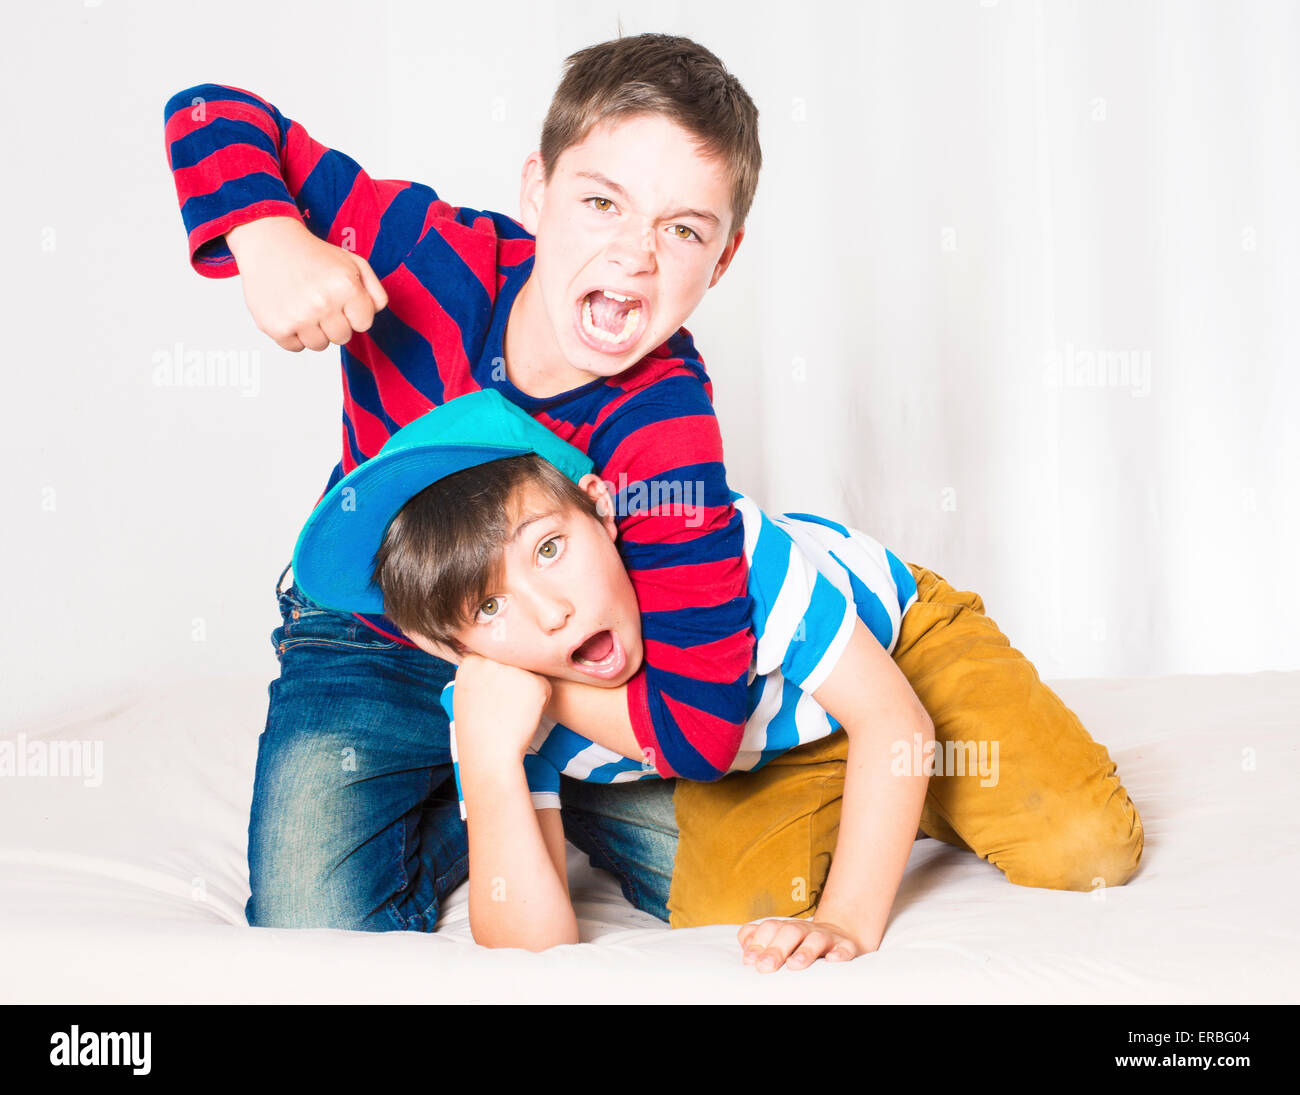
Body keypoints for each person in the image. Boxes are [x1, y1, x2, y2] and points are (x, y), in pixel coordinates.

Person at [162, 34, 768, 931]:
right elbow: (208, 111)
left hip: (563, 654)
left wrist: (526, 692)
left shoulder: (668, 428)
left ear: (720, 260)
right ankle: (462, 796)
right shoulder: (426, 256)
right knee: (310, 916)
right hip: (375, 631)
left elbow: (701, 724)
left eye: (682, 229)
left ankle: (523, 774)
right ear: (538, 191)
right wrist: (270, 236)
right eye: (602, 202)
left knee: (740, 887)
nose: (635, 253)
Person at [293, 388, 1146, 972]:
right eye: (488, 607)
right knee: (722, 918)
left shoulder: (719, 557)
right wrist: (486, 763)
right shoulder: (498, 701)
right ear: (453, 646)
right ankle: (880, 797)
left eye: (549, 549)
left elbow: (896, 723)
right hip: (772, 753)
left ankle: (921, 789)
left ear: (601, 506)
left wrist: (848, 920)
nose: (549, 611)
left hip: (897, 657)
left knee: (1084, 845)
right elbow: (533, 953)